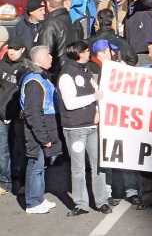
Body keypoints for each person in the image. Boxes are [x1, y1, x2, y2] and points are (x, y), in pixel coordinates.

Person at [58, 40, 114, 215]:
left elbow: (97, 94)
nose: (89, 53)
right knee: (78, 167)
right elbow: (70, 102)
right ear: (79, 53)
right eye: (87, 51)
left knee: (99, 164)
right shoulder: (67, 75)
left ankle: (102, 200)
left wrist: (97, 110)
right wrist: (93, 98)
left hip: (92, 125)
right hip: (75, 129)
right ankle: (81, 203)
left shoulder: (86, 71)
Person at [20, 45, 62, 214]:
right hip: (37, 132)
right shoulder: (34, 82)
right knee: (35, 166)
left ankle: (38, 198)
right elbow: (33, 113)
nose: (51, 57)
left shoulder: (41, 77)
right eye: (47, 55)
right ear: (37, 60)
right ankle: (32, 203)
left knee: (40, 167)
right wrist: (44, 137)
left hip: (43, 129)